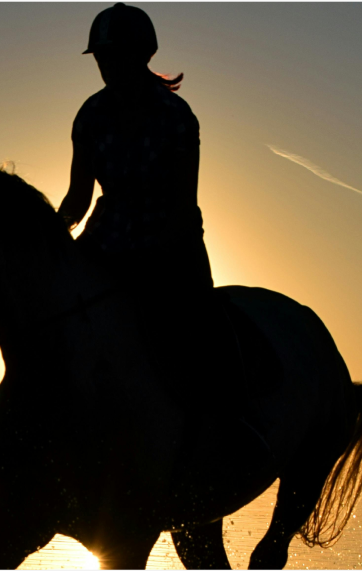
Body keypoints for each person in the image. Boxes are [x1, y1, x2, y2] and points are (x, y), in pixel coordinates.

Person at [59, 3, 240, 409]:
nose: (107, 66)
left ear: (142, 54)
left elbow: (181, 204)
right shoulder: (90, 115)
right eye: (102, 57)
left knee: (208, 328)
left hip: (171, 244)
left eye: (116, 55)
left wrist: (152, 257)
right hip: (106, 239)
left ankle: (234, 419)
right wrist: (52, 239)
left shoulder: (176, 116)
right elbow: (78, 198)